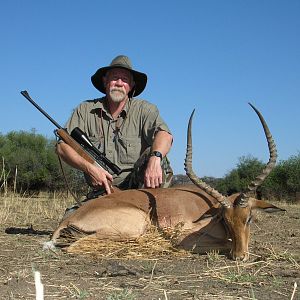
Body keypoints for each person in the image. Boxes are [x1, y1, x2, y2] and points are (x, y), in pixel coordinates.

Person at [56, 55, 173, 200]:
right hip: (103, 189)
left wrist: (155, 159)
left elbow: (165, 135)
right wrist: (89, 168)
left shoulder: (145, 110)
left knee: (156, 153)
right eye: (114, 78)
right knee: (70, 220)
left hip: (139, 190)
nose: (119, 83)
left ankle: (156, 210)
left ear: (131, 86)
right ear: (105, 81)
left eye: (124, 79)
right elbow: (62, 147)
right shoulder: (85, 109)